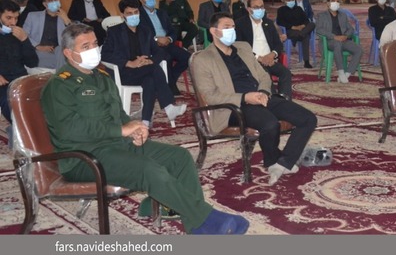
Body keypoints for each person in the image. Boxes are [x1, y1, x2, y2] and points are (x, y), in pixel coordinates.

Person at [41, 23, 249, 235]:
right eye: (85, 47)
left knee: (180, 157)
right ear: (68, 53)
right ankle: (204, 220)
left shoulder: (102, 77)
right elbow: (70, 129)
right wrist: (120, 130)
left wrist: (134, 130)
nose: (93, 50)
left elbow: (119, 115)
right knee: (148, 169)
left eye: (95, 44)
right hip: (85, 157)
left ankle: (174, 210)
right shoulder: (60, 85)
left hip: (117, 145)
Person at [190, 12, 317, 185]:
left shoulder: (243, 48)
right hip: (234, 106)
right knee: (270, 124)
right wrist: (245, 97)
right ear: (214, 31)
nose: (232, 30)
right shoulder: (203, 58)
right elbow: (210, 96)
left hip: (261, 96)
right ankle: (272, 161)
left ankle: (283, 162)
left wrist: (263, 92)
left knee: (308, 118)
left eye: (233, 27)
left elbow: (263, 75)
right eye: (227, 27)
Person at [101, 0, 187, 128]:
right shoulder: (114, 32)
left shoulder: (146, 31)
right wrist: (129, 63)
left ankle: (145, 122)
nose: (134, 16)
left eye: (136, 12)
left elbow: (160, 52)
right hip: (124, 73)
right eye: (129, 13)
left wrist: (150, 60)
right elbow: (105, 55)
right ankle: (169, 107)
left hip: (145, 71)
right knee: (154, 69)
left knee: (150, 80)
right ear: (122, 15)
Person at [235, 0, 293, 100]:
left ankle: (285, 99)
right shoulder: (240, 24)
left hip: (270, 59)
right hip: (253, 61)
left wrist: (272, 55)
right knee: (266, 77)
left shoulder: (268, 23)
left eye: (261, 7)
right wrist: (259, 58)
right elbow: (240, 47)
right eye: (256, 7)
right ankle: (274, 101)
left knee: (286, 73)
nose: (260, 9)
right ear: (249, 9)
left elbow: (278, 44)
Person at [139, 0, 191, 97]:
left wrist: (169, 39)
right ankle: (170, 86)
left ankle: (170, 81)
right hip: (152, 45)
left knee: (188, 57)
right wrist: (156, 39)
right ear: (142, 0)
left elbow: (172, 30)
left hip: (167, 43)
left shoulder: (162, 13)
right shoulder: (139, 14)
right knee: (167, 58)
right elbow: (140, 34)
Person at [0, 0, 38, 125]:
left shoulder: (18, 34)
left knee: (40, 99)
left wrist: (25, 40)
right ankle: (21, 130)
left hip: (20, 79)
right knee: (11, 104)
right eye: (8, 18)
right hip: (3, 82)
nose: (13, 22)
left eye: (16, 18)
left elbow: (33, 62)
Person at [315, 0, 363, 83]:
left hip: (343, 40)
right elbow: (319, 30)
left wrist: (345, 36)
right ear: (328, 3)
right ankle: (341, 72)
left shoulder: (343, 15)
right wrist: (334, 36)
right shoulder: (321, 15)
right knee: (337, 44)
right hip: (329, 41)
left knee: (358, 50)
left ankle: (347, 74)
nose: (335, 3)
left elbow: (350, 29)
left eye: (337, 1)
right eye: (333, 1)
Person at [23, 0, 72, 69]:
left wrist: (67, 20)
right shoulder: (33, 16)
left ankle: (60, 71)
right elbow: (24, 35)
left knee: (61, 51)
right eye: (50, 1)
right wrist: (37, 46)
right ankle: (62, 71)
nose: (54, 2)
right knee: (61, 60)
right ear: (45, 4)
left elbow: (75, 36)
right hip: (40, 50)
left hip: (58, 51)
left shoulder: (64, 17)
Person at [276, 0, 316, 69]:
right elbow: (280, 22)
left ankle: (301, 35)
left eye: (292, 0)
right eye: (289, 0)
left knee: (312, 24)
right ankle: (306, 62)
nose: (291, 2)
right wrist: (293, 27)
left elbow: (306, 20)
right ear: (285, 1)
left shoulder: (298, 9)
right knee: (306, 37)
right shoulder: (281, 10)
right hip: (290, 31)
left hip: (302, 29)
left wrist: (302, 26)